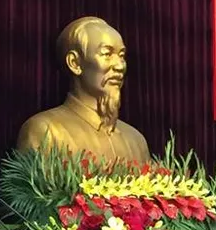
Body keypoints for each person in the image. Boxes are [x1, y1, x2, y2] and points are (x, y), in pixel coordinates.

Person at [16, 16, 150, 162]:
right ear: (74, 63)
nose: (120, 66)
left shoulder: (136, 140)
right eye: (107, 54)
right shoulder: (45, 132)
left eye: (121, 56)